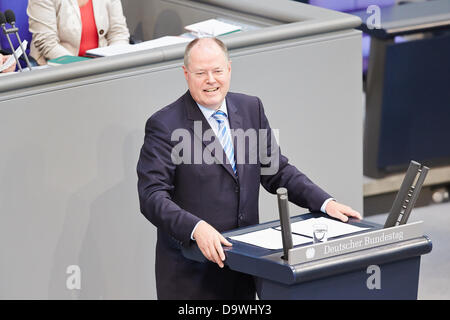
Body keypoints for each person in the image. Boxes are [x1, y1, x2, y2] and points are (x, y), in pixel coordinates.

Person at [136, 37, 362, 300]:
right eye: (201, 73)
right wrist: (196, 229)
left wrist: (324, 203)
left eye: (217, 71)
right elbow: (152, 196)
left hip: (243, 268)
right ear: (186, 74)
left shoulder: (250, 108)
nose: (211, 79)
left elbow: (276, 171)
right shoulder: (164, 125)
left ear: (229, 69)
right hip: (193, 274)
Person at [27, 0, 130, 65]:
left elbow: (118, 32)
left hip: (103, 68)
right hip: (59, 69)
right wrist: (82, 67)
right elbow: (47, 43)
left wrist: (115, 62)